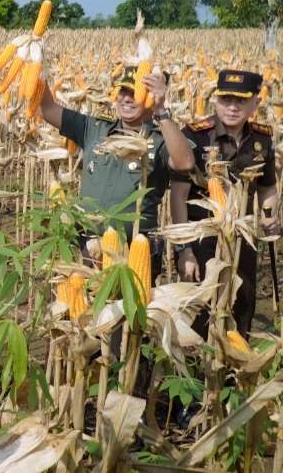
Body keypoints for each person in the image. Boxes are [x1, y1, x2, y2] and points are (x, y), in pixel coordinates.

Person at [38, 66, 194, 271]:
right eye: (123, 92)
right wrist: (37, 69)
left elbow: (184, 163)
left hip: (136, 250)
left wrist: (161, 112)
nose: (127, 99)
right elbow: (47, 109)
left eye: (135, 93)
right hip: (92, 248)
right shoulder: (94, 128)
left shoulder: (161, 138)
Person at [170, 69, 278, 337]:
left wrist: (271, 216)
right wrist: (184, 251)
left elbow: (267, 188)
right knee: (199, 316)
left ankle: (232, 374)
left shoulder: (261, 139)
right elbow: (178, 196)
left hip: (243, 240)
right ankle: (196, 375)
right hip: (202, 241)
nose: (232, 107)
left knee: (242, 310)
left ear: (255, 102)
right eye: (226, 99)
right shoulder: (195, 135)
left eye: (241, 100)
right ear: (215, 101)